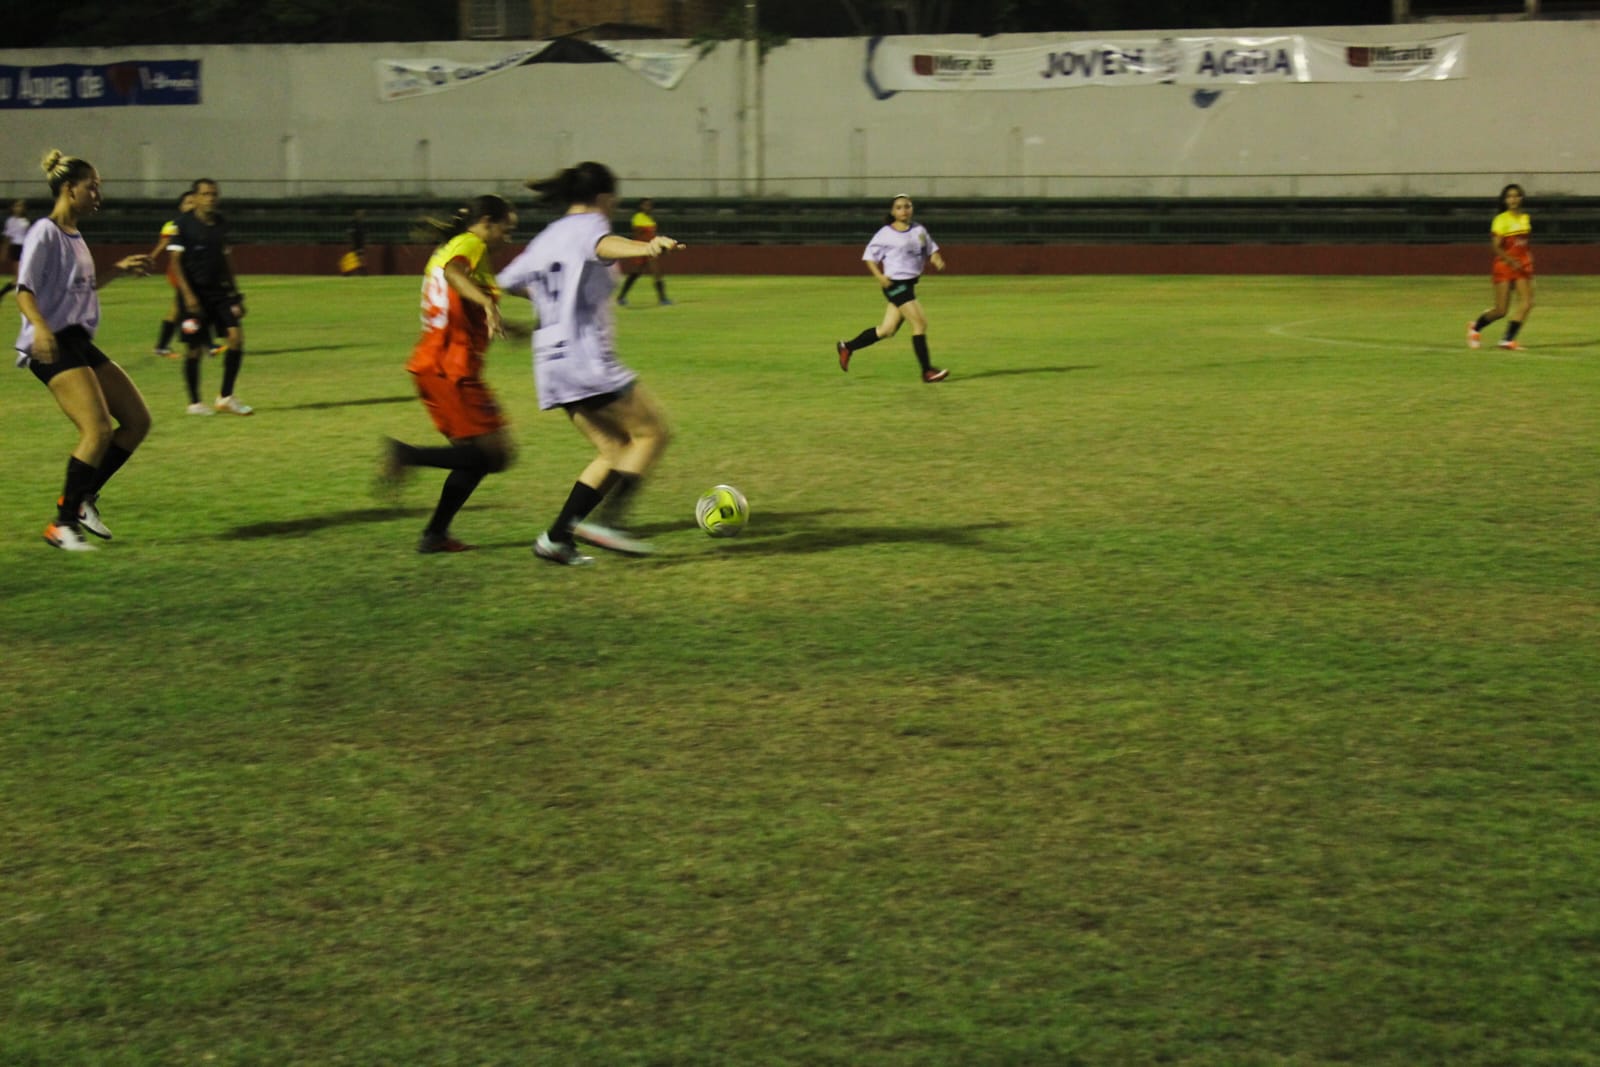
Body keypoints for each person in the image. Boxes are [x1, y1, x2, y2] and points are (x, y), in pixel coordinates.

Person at [498, 161, 684, 566]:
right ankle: (611, 523)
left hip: (550, 362)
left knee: (614, 448)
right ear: (604, 198)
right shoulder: (589, 229)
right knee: (653, 433)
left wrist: (551, 301)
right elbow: (602, 246)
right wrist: (646, 247)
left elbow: (507, 281)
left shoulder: (547, 236)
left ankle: (556, 538)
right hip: (585, 359)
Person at [12, 150, 152, 551]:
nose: (98, 195)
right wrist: (39, 327)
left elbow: (79, 291)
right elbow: (24, 291)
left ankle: (84, 497)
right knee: (98, 430)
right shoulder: (45, 231)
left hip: (76, 340)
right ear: (69, 189)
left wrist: (118, 271)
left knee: (137, 421)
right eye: (92, 187)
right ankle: (61, 523)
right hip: (51, 344)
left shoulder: (74, 236)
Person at [379, 196, 520, 554]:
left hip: (435, 365)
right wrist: (489, 304)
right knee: (497, 455)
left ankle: (435, 535)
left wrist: (510, 325)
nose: (509, 237)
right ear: (488, 222)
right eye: (507, 228)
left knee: (475, 458)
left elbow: (457, 301)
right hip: (451, 368)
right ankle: (407, 455)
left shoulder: (456, 246)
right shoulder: (470, 244)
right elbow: (454, 274)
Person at [834, 193, 948, 383]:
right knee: (920, 323)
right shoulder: (885, 233)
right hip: (895, 285)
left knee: (887, 330)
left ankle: (847, 347)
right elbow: (869, 257)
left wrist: (936, 258)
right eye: (899, 207)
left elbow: (930, 249)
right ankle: (927, 371)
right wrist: (879, 276)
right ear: (893, 211)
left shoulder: (919, 229)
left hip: (909, 285)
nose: (904, 210)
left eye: (907, 206)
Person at [172, 177, 252, 415]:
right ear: (195, 198)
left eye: (214, 194)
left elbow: (226, 259)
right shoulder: (183, 224)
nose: (211, 198)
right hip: (194, 295)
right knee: (194, 349)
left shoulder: (221, 223)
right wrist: (188, 296)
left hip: (220, 294)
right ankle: (195, 403)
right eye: (206, 194)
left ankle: (226, 396)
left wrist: (236, 293)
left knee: (236, 339)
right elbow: (175, 263)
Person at [1467, 183, 1535, 352]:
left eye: (1516, 196)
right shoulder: (1501, 220)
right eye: (1509, 196)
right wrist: (1511, 260)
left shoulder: (1525, 218)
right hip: (1504, 265)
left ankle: (1508, 340)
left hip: (1521, 265)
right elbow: (1496, 247)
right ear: (1505, 200)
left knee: (1527, 303)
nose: (1513, 199)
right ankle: (1475, 328)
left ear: (1521, 198)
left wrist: (1528, 259)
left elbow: (1523, 244)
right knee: (1501, 310)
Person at [149, 189, 195, 357]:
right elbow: (163, 243)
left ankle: (163, 346)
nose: (192, 206)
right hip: (179, 272)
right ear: (181, 207)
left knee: (177, 310)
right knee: (189, 308)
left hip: (192, 272)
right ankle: (200, 344)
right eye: (188, 202)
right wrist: (151, 258)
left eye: (194, 202)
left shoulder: (198, 224)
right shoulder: (174, 225)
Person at [615, 197, 672, 307]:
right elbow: (639, 234)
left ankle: (663, 298)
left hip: (649, 249)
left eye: (650, 205)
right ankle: (621, 297)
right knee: (637, 273)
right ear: (641, 206)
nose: (649, 207)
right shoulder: (638, 218)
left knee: (656, 273)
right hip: (642, 249)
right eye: (646, 205)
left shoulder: (649, 218)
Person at [1, 199, 28, 301]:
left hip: (24, 248)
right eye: (17, 206)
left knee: (23, 276)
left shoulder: (25, 220)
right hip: (16, 248)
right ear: (12, 208)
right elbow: (8, 237)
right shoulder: (11, 221)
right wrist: (4, 251)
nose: (19, 208)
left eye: (20, 206)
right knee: (19, 277)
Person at [341, 208, 368, 276]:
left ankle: (362, 274)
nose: (361, 215)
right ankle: (363, 274)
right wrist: (351, 244)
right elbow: (350, 234)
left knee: (358, 261)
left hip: (360, 246)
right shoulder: (354, 223)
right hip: (355, 246)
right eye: (360, 213)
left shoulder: (362, 224)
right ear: (356, 214)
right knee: (357, 261)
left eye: (362, 214)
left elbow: (363, 236)